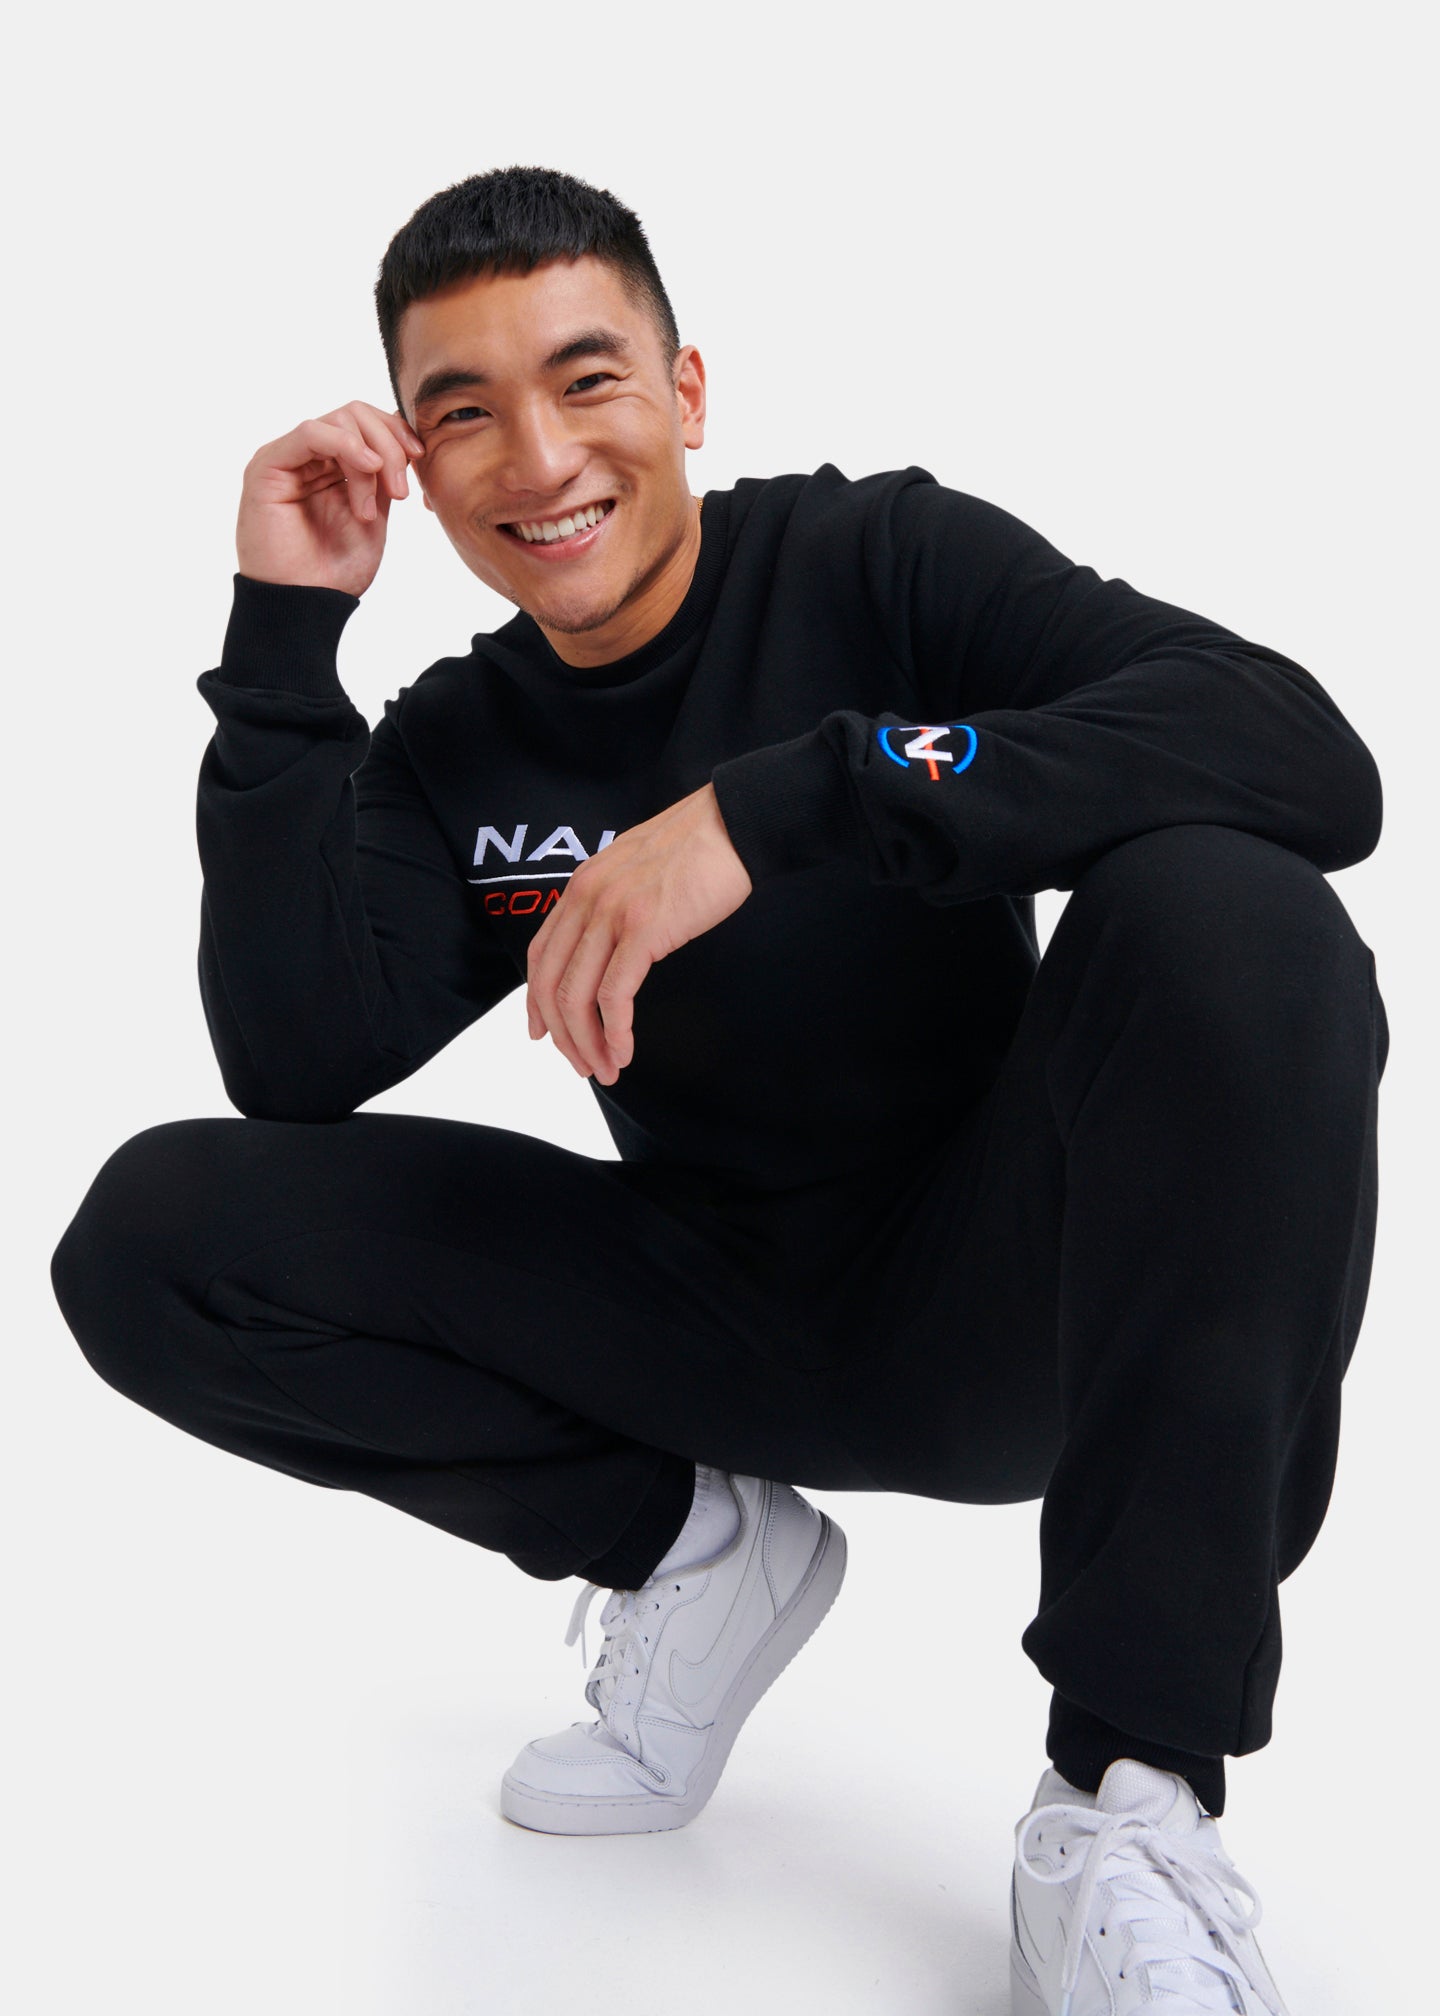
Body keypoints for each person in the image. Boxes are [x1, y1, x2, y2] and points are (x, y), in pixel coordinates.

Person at [50, 164, 1387, 2015]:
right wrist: (283, 646)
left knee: (1235, 905)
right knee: (153, 1234)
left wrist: (785, 805)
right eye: (465, 411)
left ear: (685, 392)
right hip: (708, 1314)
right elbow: (293, 1059)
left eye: (587, 379)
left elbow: (1302, 755)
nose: (540, 458)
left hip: (1025, 1303)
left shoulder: (879, 561)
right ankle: (693, 1548)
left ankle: (1126, 1802)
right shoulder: (461, 740)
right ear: (418, 464)